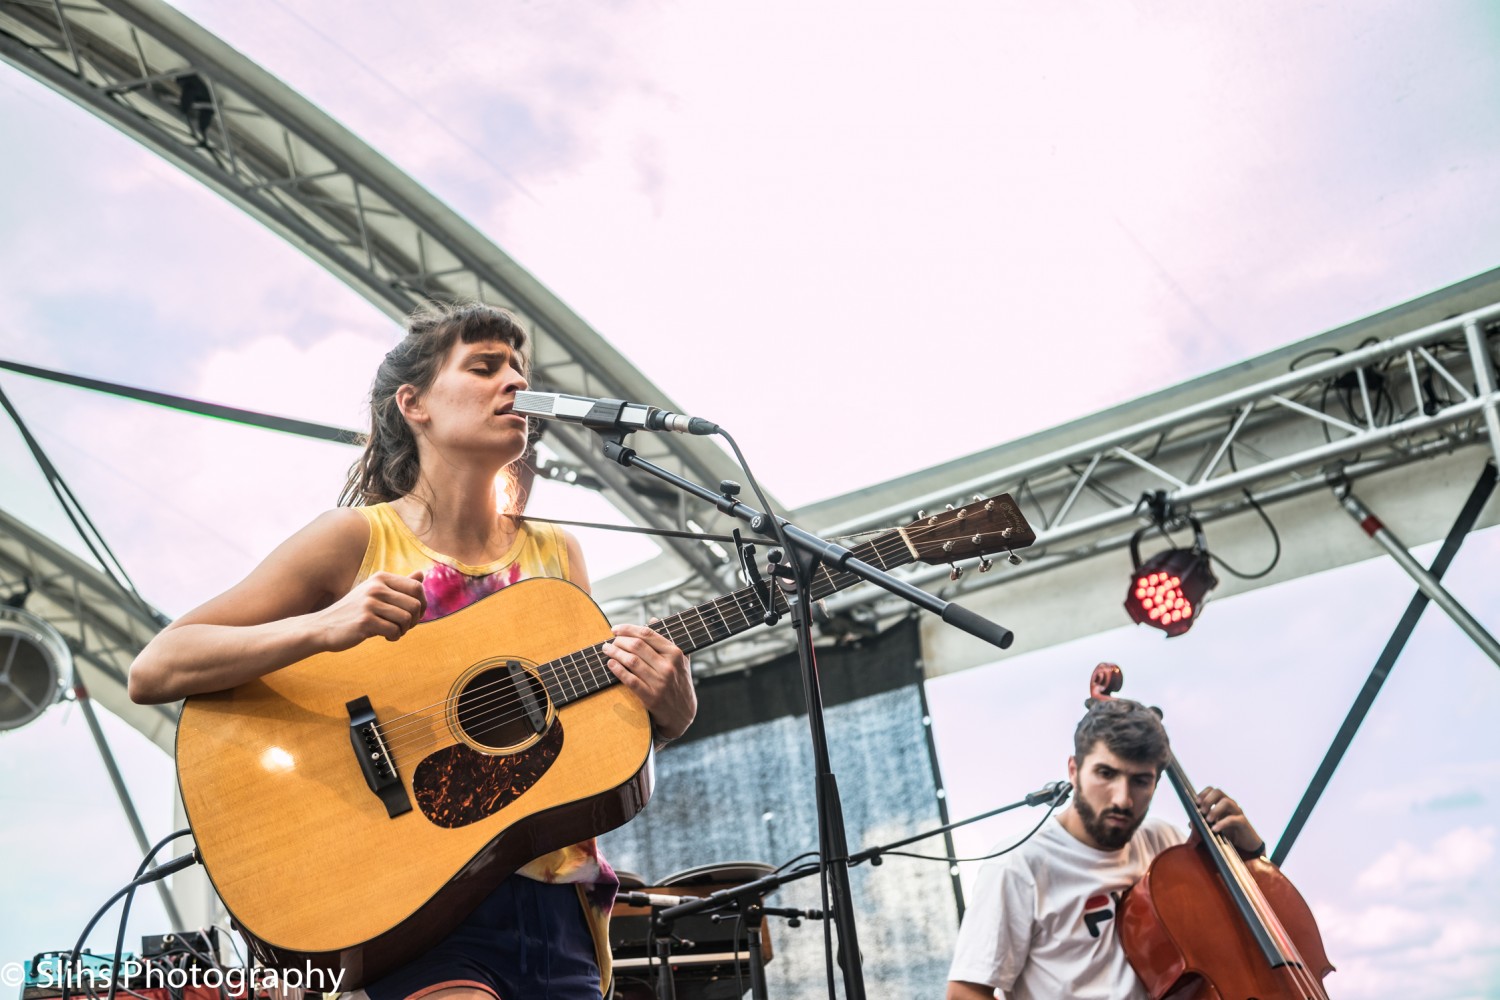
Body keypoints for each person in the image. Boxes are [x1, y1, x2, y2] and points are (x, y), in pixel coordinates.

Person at [128, 301, 697, 1000]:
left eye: (520, 368)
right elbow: (156, 667)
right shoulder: (354, 539)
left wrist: (665, 716)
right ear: (414, 404)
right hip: (411, 909)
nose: (514, 382)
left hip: (556, 913)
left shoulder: (557, 552)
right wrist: (323, 628)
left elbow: (578, 747)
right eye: (486, 366)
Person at [945, 697, 1265, 1000]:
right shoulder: (1018, 866)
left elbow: (1247, 929)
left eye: (1140, 781)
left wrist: (1250, 853)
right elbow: (965, 993)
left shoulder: (1165, 844)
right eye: (1106, 774)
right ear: (1074, 771)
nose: (1122, 799)